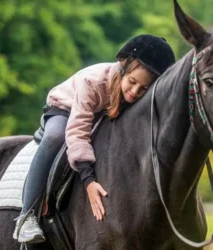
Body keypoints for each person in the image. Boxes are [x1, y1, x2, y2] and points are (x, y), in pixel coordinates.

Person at [12, 34, 175, 243]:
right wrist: (88, 180)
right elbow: (78, 130)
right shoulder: (94, 82)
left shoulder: (134, 95)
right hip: (67, 109)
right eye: (132, 82)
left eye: (143, 89)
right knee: (55, 137)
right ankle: (27, 215)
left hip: (102, 111)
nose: (134, 92)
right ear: (123, 66)